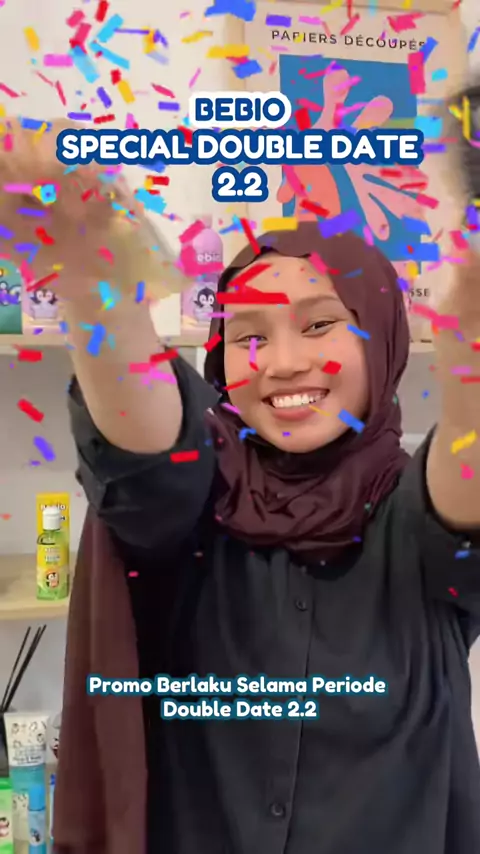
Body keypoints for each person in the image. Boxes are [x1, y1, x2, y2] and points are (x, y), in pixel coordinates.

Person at [1, 107, 480, 854]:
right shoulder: (201, 494)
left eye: (319, 325)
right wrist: (95, 286)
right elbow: (147, 453)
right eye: (249, 335)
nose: (282, 363)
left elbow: (463, 501)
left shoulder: (416, 508)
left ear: (383, 336)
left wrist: (470, 350)